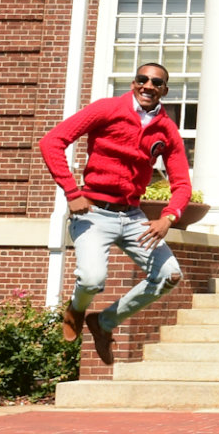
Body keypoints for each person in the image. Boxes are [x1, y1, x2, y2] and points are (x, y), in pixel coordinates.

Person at [39, 62, 191, 365]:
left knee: (170, 275)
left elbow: (182, 183)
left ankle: (104, 322)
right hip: (93, 212)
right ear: (134, 83)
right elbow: (52, 142)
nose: (148, 86)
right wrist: (72, 192)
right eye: (142, 79)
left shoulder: (166, 128)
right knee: (93, 280)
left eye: (156, 83)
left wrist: (168, 217)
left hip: (133, 216)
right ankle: (76, 309)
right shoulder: (107, 109)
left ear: (165, 90)